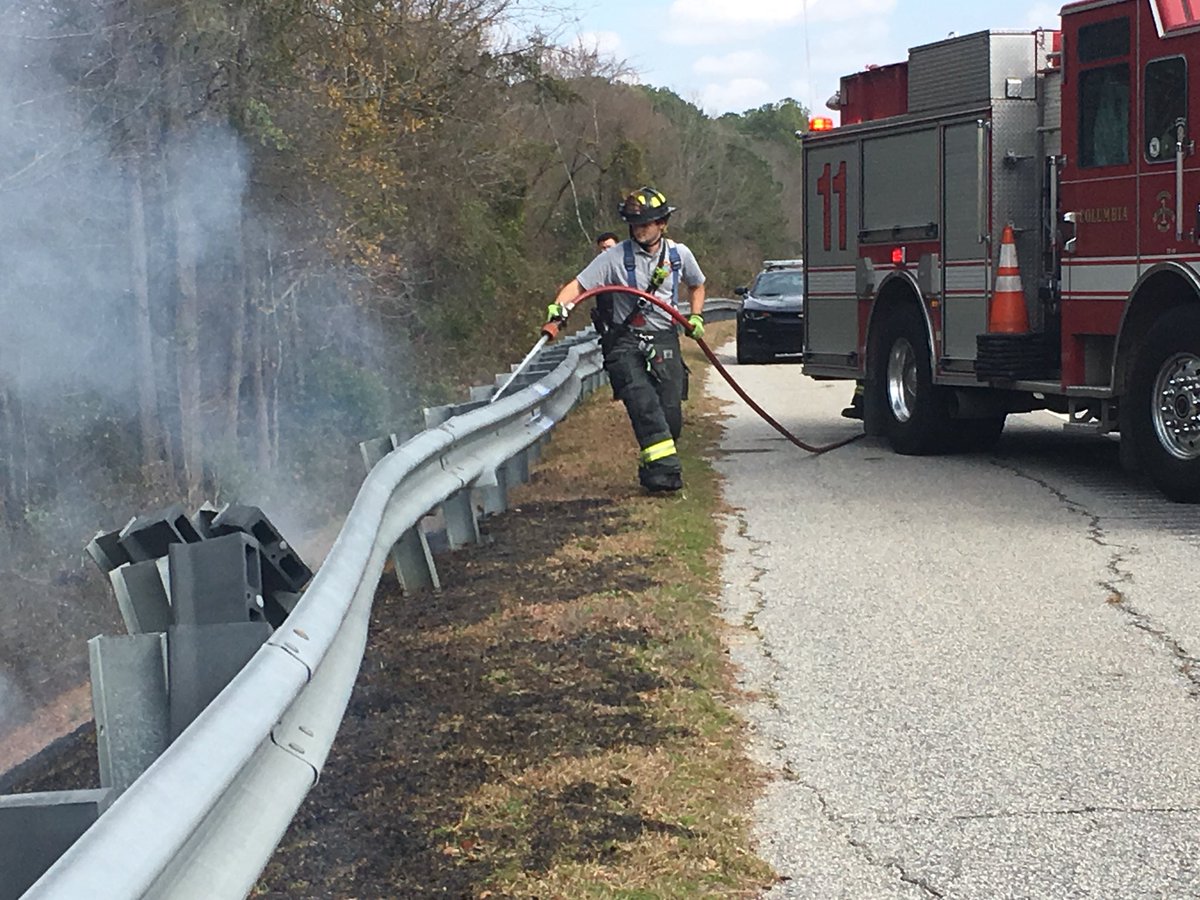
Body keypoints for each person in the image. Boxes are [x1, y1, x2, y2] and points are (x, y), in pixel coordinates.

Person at [548, 187, 706, 492]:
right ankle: (664, 475)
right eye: (634, 224)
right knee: (642, 401)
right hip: (625, 341)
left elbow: (697, 285)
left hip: (663, 337)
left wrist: (696, 316)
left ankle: (653, 466)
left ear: (662, 224)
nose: (638, 230)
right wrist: (559, 308)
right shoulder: (614, 257)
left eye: (645, 224)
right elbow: (578, 286)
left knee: (670, 414)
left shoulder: (678, 255)